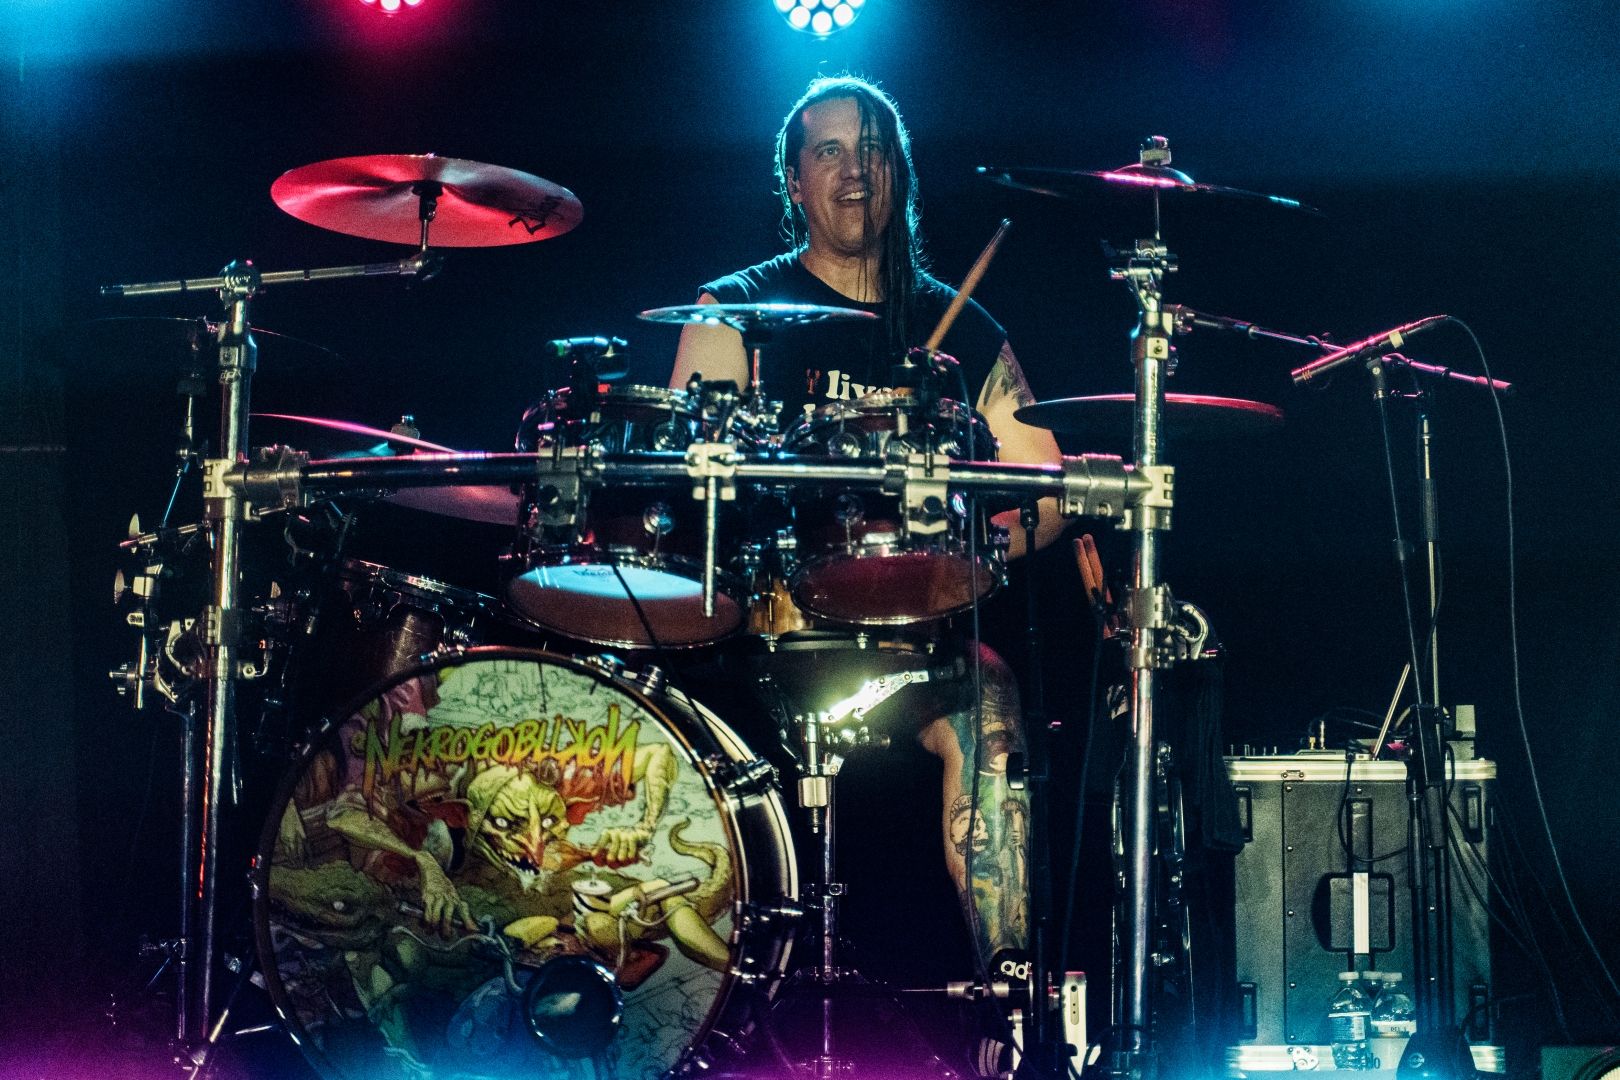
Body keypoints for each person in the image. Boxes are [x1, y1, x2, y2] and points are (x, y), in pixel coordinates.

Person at [670, 75, 1066, 984]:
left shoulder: (958, 328)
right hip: (768, 636)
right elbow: (690, 492)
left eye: (874, 150)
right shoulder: (737, 312)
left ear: (901, 176)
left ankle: (1006, 1000)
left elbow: (1047, 489)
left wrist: (962, 557)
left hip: (913, 643)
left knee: (992, 709)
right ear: (794, 181)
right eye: (831, 152)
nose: (856, 170)